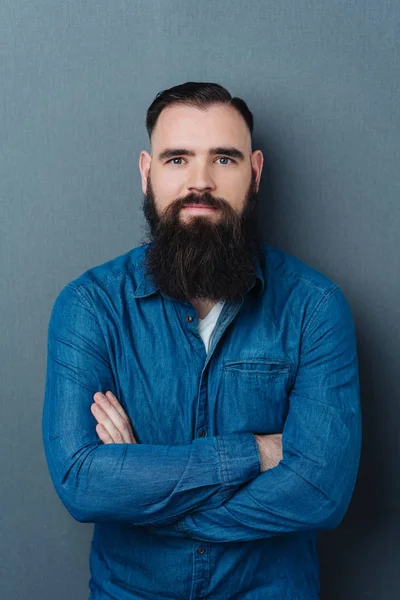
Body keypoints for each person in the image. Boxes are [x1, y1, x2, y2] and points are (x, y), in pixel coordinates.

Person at [42, 81, 362, 599]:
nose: (201, 182)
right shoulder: (89, 306)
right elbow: (83, 482)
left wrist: (143, 493)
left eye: (224, 160)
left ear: (254, 173)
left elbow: (320, 491)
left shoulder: (315, 308)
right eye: (177, 160)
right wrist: (256, 454)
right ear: (147, 173)